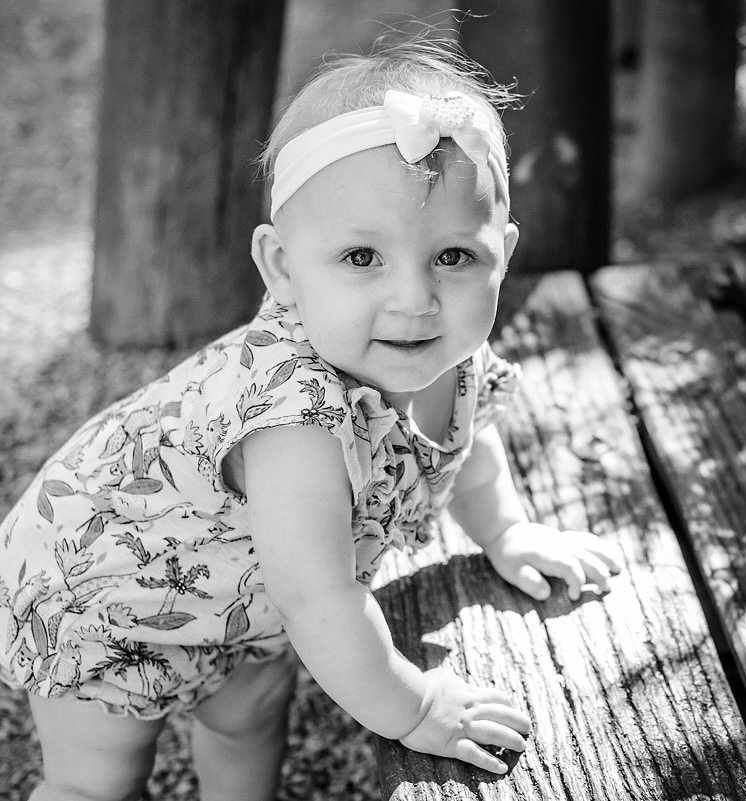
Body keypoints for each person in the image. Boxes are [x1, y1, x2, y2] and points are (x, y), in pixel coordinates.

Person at [0, 40, 621, 801]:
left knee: (251, 714)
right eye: (362, 258)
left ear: (503, 254)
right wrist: (414, 704)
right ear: (282, 268)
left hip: (234, 588)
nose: (415, 299)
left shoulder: (446, 350)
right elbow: (321, 599)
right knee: (100, 777)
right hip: (106, 589)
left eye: (454, 255)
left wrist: (507, 530)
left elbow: (467, 438)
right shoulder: (293, 418)